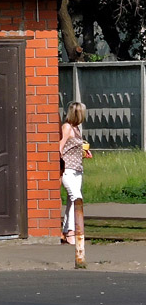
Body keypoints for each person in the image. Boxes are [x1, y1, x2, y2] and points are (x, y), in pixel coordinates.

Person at [59, 101, 90, 245]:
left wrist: (84, 151)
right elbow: (60, 146)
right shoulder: (67, 128)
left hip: (77, 169)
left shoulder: (77, 129)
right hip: (68, 169)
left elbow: (74, 146)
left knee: (72, 200)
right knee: (76, 197)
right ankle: (72, 231)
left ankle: (67, 230)